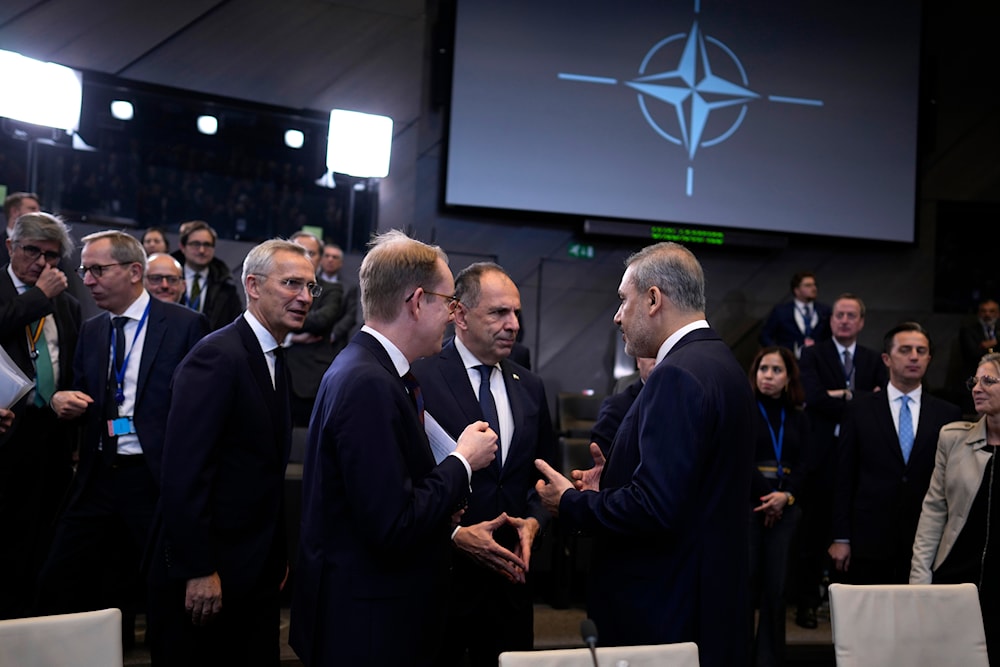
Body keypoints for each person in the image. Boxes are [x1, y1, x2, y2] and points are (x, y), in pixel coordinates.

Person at [534, 241, 755, 667]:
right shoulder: (722, 363)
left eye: (622, 300)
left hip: (667, 610)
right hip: (711, 604)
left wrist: (572, 503)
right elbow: (691, 489)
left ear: (653, 299)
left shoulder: (677, 375)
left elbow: (654, 508)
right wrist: (611, 484)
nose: (617, 316)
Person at [289, 230, 498, 666]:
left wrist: (439, 501)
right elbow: (392, 525)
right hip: (369, 625)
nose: (451, 317)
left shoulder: (371, 370)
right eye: (449, 303)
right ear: (418, 302)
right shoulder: (369, 382)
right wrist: (462, 462)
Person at [149, 239, 316, 666]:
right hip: (210, 578)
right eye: (292, 283)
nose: (305, 297)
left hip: (254, 574)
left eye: (311, 287)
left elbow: (262, 474)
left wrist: (275, 557)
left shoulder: (273, 357)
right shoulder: (215, 357)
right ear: (253, 285)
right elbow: (183, 474)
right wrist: (198, 568)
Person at [34, 231, 206, 633]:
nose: (87, 279)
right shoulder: (93, 329)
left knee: (164, 596)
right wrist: (62, 400)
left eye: (97, 269)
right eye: (85, 270)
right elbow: (82, 390)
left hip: (153, 478)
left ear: (133, 272)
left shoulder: (185, 326)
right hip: (98, 473)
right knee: (57, 580)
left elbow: (199, 413)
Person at [410, 262, 558, 666]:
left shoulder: (531, 386)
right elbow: (404, 486)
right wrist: (454, 533)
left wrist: (535, 522)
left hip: (511, 588)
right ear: (458, 314)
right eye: (498, 313)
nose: (513, 325)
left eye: (516, 313)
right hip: (442, 584)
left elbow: (542, 478)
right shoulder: (418, 377)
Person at [829, 322, 961, 584]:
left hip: (924, 539)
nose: (914, 356)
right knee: (867, 620)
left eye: (921, 350)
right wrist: (840, 536)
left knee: (914, 622)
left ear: (929, 358)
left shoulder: (948, 413)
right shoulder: (859, 409)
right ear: (887, 358)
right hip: (867, 537)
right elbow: (843, 475)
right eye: (905, 350)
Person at [0, 212, 82, 618]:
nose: (42, 263)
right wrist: (37, 297)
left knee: (43, 539)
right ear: (11, 246)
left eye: (51, 256)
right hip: (4, 433)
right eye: (32, 251)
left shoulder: (66, 304)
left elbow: (68, 365)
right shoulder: (12, 290)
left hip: (51, 436)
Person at [794, 293, 887, 628]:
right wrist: (858, 399)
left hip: (861, 460)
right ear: (830, 320)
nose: (845, 320)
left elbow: (883, 402)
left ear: (861, 322)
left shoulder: (874, 359)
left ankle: (846, 610)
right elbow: (814, 399)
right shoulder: (813, 354)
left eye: (851, 315)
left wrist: (841, 396)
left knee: (850, 536)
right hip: (820, 460)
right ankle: (807, 604)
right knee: (813, 535)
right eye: (839, 315)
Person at [911, 352, 1000, 663]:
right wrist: (919, 582)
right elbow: (933, 513)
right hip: (956, 577)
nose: (977, 387)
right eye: (974, 380)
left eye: (989, 380)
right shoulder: (953, 438)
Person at [748, 346, 809, 667]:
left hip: (787, 507)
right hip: (750, 506)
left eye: (776, 370)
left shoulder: (798, 416)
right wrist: (767, 498)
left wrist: (785, 497)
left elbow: (805, 463)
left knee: (776, 589)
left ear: (788, 378)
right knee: (745, 587)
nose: (768, 376)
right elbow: (739, 460)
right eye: (763, 369)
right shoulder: (743, 410)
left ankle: (768, 659)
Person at [285, 232, 342, 426]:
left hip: (309, 379)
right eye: (299, 251)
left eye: (311, 252)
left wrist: (283, 322)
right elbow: (264, 316)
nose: (306, 257)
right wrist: (291, 338)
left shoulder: (332, 290)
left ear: (320, 257)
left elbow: (322, 321)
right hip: (276, 371)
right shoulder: (275, 284)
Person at [172, 220, 242, 331]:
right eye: (196, 244)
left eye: (207, 245)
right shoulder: (167, 278)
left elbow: (235, 326)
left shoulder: (226, 285)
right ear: (182, 247)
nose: (202, 250)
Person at [590, 356, 656, 456]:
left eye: (661, 354)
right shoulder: (616, 407)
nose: (656, 361)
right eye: (650, 356)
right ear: (638, 360)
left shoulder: (683, 401)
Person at [759, 271, 832, 358]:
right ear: (797, 290)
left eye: (814, 285)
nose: (814, 288)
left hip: (818, 360)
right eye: (808, 285)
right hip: (790, 360)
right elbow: (765, 335)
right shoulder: (781, 311)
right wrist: (778, 352)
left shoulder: (825, 310)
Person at [318, 243, 358, 357]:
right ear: (321, 259)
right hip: (306, 341)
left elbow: (350, 316)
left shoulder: (350, 287)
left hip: (335, 345)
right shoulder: (311, 282)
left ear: (341, 263)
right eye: (327, 256)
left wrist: (332, 335)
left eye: (335, 257)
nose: (330, 260)